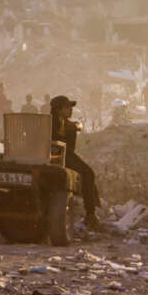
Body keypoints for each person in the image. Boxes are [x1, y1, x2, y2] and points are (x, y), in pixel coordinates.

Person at [49, 95, 101, 231]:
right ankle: (90, 214)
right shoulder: (59, 123)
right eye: (67, 107)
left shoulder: (54, 121)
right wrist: (75, 126)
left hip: (55, 155)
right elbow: (67, 135)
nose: (70, 110)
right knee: (88, 173)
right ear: (59, 109)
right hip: (59, 156)